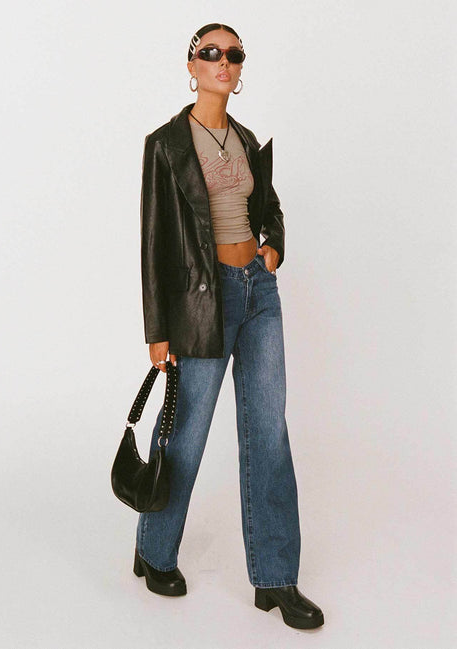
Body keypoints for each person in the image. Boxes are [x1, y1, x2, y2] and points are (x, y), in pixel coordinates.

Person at [134, 23, 324, 630]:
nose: (223, 61)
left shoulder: (245, 139)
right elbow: (154, 242)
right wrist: (157, 329)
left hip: (258, 292)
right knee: (186, 431)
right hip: (201, 299)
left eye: (233, 54)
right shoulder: (166, 145)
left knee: (269, 432)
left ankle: (276, 578)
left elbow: (268, 207)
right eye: (211, 52)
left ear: (240, 70)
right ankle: (153, 550)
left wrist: (274, 248)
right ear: (192, 65)